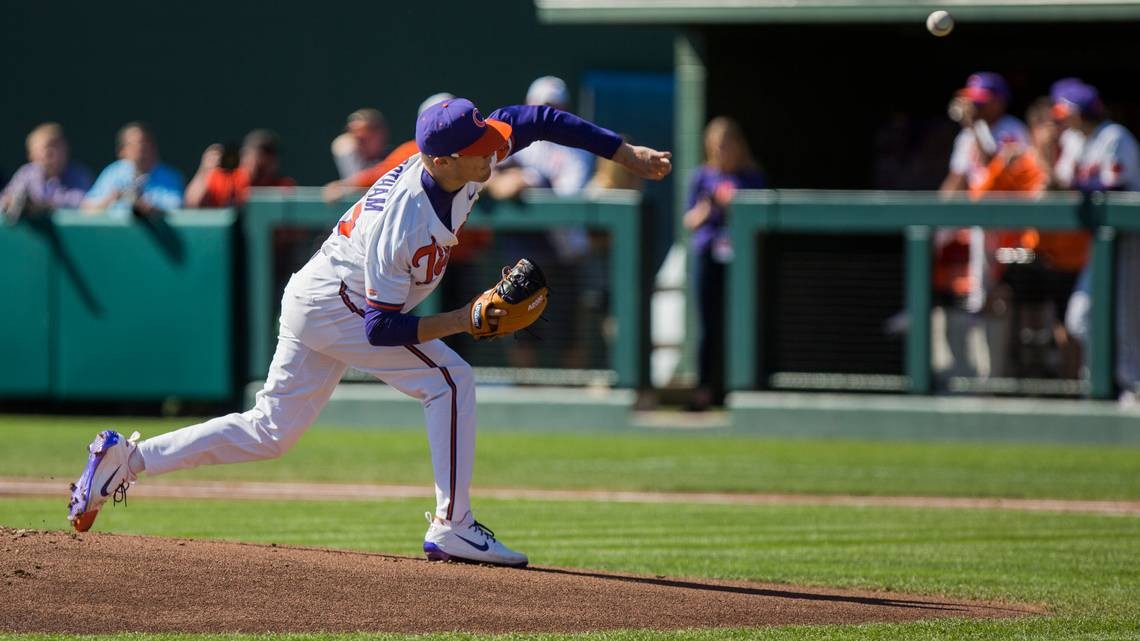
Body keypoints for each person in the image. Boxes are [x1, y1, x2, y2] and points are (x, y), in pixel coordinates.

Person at [66, 97, 672, 567]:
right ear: (438, 159)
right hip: (341, 306)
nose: (492, 153)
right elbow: (382, 331)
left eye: (489, 140)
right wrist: (463, 321)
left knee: (271, 431)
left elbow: (537, 118)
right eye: (477, 148)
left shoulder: (464, 155)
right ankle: (453, 524)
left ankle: (127, 460)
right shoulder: (405, 223)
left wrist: (623, 153)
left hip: (321, 294)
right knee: (452, 380)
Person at [485, 76, 599, 369]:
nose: (547, 114)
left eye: (554, 107)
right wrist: (499, 181)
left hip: (565, 253)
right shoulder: (512, 143)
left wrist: (530, 180)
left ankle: (572, 393)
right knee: (519, 326)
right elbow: (484, 174)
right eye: (541, 107)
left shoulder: (577, 149)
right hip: (523, 252)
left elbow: (566, 198)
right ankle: (525, 392)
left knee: (568, 331)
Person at [934, 72, 1029, 381]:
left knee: (987, 295)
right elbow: (958, 178)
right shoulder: (966, 136)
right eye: (972, 100)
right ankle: (923, 299)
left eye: (981, 101)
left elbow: (996, 171)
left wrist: (974, 125)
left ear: (998, 101)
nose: (974, 106)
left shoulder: (1011, 129)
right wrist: (936, 214)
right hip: (977, 217)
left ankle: (978, 302)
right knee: (933, 241)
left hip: (1008, 219)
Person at [1051, 80, 1140, 402]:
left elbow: (1110, 189)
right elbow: (1057, 185)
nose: (1061, 120)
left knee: (1128, 320)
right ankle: (1103, 384)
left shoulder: (1115, 137)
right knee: (1080, 318)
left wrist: (1074, 184)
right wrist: (1047, 152)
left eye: (1066, 113)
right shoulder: (1073, 140)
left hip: (1130, 239)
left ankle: (1131, 388)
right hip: (1099, 243)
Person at [682, 116, 767, 411]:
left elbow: (762, 222)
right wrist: (709, 207)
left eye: (727, 146)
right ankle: (704, 391)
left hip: (741, 261)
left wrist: (736, 204)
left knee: (742, 323)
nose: (722, 152)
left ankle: (740, 389)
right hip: (708, 256)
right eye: (717, 147)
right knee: (708, 326)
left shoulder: (752, 177)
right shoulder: (701, 177)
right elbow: (689, 220)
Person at [321, 95, 454, 204]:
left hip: (461, 230)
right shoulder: (412, 151)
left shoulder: (470, 151)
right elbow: (381, 175)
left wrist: (345, 186)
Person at [81, 122, 184, 217]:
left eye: (144, 143)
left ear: (153, 147)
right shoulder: (113, 173)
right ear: (122, 151)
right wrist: (114, 197)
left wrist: (150, 208)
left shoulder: (170, 176)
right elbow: (86, 207)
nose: (140, 149)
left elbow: (177, 208)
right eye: (133, 144)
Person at [1, 123, 91, 221]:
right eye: (47, 151)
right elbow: (7, 199)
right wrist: (11, 202)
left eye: (58, 147)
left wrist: (42, 206)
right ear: (32, 155)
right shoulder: (26, 173)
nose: (54, 155)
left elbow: (85, 203)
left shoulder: (78, 173)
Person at [184, 129, 296, 208]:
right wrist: (204, 170)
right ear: (245, 154)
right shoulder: (225, 177)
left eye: (271, 154)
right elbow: (192, 203)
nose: (264, 160)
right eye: (260, 153)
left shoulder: (282, 186)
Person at [331, 108, 389, 180]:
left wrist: (343, 185)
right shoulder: (350, 149)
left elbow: (358, 181)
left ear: (379, 135)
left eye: (362, 139)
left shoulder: (397, 155)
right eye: (355, 138)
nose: (357, 144)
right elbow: (354, 179)